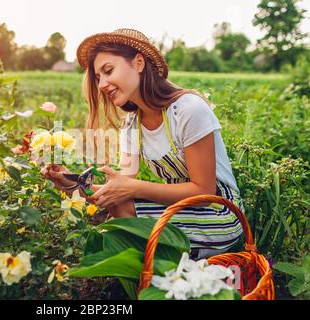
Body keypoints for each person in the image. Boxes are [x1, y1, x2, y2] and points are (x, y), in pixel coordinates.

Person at [42, 28, 243, 259]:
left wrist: (133, 188)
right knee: (119, 205)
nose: (102, 84)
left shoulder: (188, 110)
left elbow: (204, 190)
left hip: (220, 212)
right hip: (186, 209)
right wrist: (73, 184)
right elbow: (120, 190)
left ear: (138, 63)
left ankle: (160, 275)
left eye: (108, 71)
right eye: (98, 78)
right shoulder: (132, 124)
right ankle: (158, 275)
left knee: (124, 213)